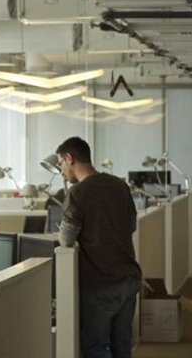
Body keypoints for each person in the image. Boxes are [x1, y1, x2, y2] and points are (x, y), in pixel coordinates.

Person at [55, 136, 141, 358]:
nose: (61, 171)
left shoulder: (77, 193)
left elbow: (66, 239)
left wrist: (66, 230)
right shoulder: (119, 185)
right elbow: (131, 225)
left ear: (69, 158)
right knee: (122, 345)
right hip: (129, 278)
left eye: (60, 164)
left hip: (100, 282)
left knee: (96, 348)